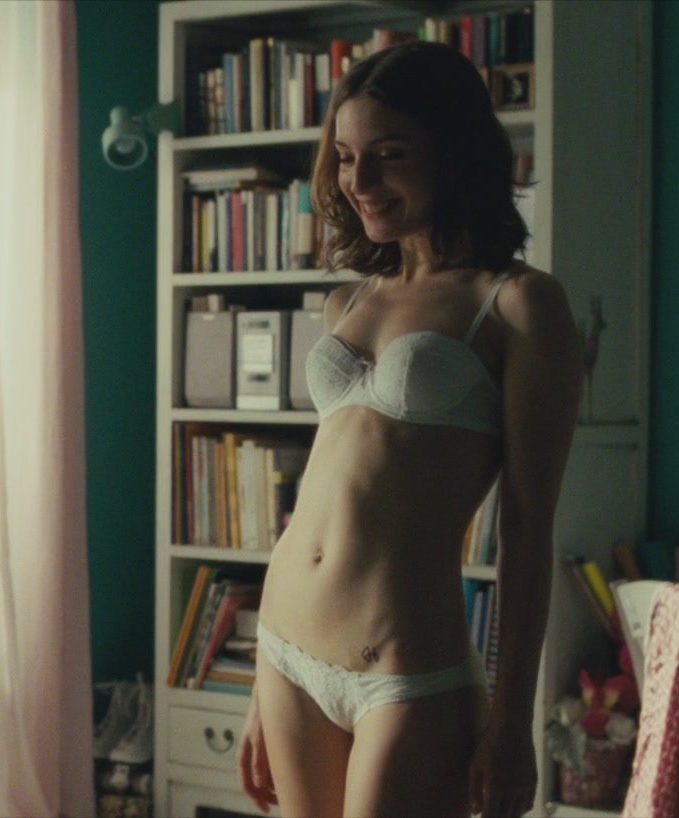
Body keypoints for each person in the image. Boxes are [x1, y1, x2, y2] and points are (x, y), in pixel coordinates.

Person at [236, 42, 581, 818]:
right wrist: (261, 684)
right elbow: (328, 490)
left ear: (454, 154)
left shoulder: (518, 304)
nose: (360, 181)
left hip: (404, 674)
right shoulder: (352, 299)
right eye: (346, 157)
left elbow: (528, 531)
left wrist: (511, 724)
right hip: (285, 652)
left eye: (389, 155)